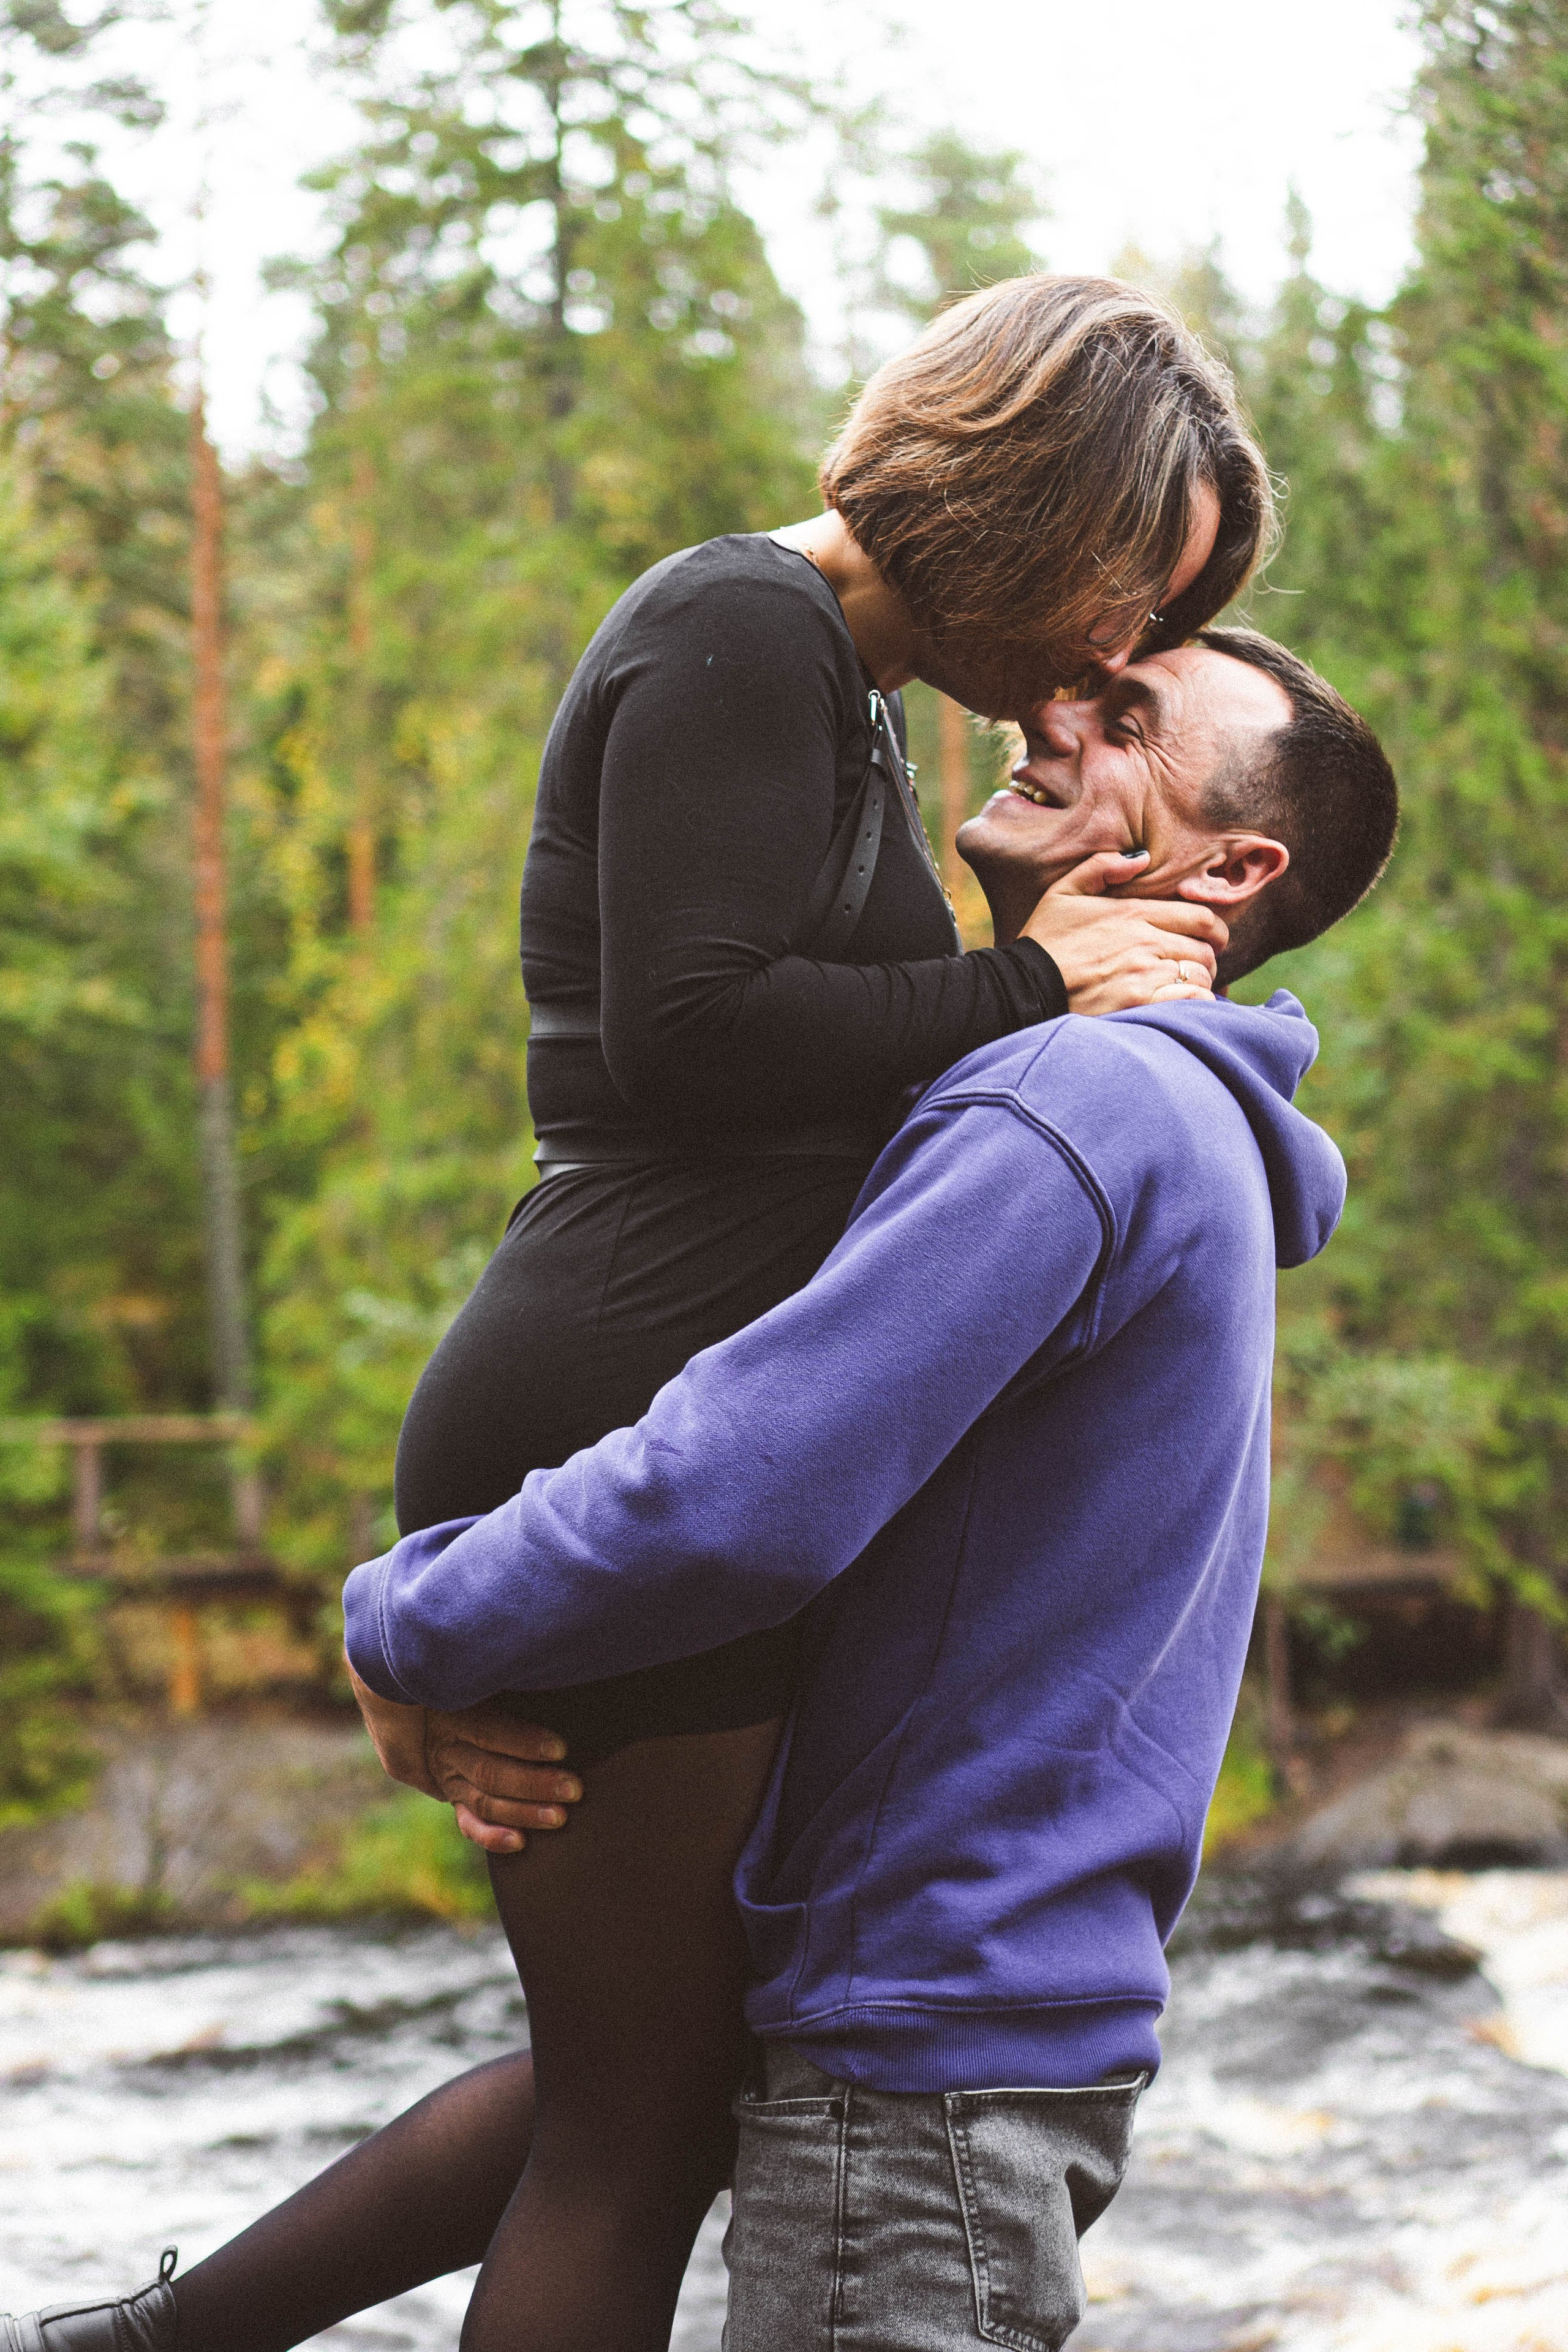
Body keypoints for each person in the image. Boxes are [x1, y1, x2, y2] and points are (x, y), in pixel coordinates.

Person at [3, 278, 1272, 2352]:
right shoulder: (736, 629)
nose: (1109, 656)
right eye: (1132, 593)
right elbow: (688, 1043)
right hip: (613, 1395)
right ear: (1036, 498)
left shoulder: (835, 684)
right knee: (635, 2123)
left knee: (665, 2098)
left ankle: (146, 2347)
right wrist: (1044, 980)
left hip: (678, 1399)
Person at [333, 626, 1399, 2351]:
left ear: (1231, 864)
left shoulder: (1073, 1106)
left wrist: (404, 1622)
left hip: (919, 2084)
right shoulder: (1171, 1116)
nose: (1048, 714)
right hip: (982, 2033)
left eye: (1124, 720)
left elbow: (736, 1493)